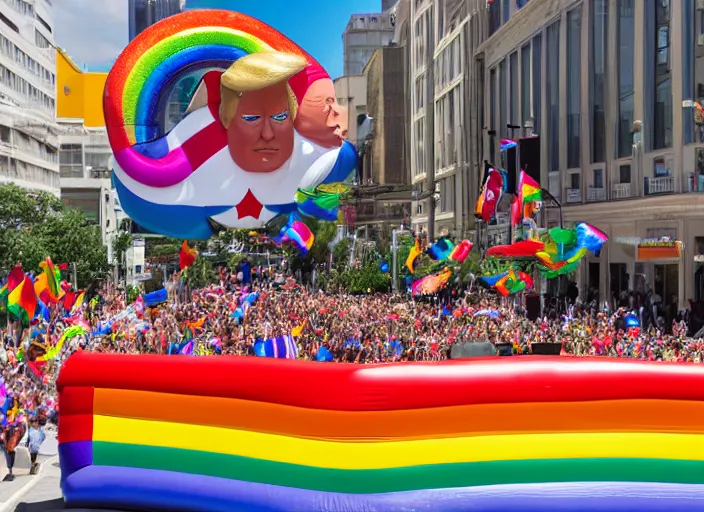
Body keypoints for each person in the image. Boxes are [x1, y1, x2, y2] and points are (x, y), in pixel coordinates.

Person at [112, 52, 356, 237]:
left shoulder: (313, 156)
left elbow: (340, 163)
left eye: (280, 117)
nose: (268, 134)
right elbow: (138, 182)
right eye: (251, 119)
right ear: (226, 121)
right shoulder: (199, 143)